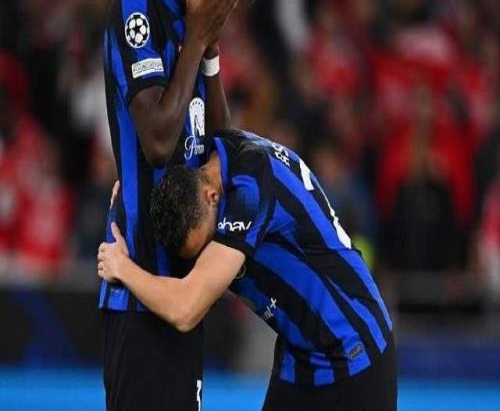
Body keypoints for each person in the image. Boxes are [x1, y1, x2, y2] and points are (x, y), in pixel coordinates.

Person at [98, 130, 397, 411]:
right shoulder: (216, 163)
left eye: (207, 244)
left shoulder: (251, 189)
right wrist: (130, 209)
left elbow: (186, 309)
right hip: (300, 357)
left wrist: (121, 267)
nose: (206, 259)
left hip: (353, 352)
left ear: (212, 196)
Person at [100, 0, 258, 409]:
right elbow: (157, 142)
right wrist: (195, 40)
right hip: (138, 295)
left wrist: (209, 54)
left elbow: (224, 152)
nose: (226, 7)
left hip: (184, 294)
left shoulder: (194, 30)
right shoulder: (137, 6)